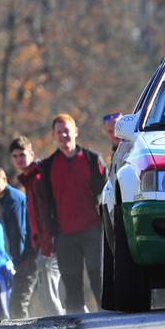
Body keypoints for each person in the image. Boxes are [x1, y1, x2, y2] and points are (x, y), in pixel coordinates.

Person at [42, 113, 107, 314]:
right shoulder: (48, 166)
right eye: (59, 132)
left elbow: (106, 195)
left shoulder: (92, 159)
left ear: (76, 132)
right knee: (71, 284)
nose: (63, 135)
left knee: (99, 278)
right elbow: (44, 203)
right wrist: (48, 235)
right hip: (64, 234)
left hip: (92, 231)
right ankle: (77, 328)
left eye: (67, 131)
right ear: (54, 136)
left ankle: (109, 319)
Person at [9, 136, 64, 316]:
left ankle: (63, 325)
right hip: (41, 242)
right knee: (47, 287)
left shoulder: (39, 176)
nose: (19, 160)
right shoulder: (29, 178)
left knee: (49, 287)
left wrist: (49, 240)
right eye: (15, 156)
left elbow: (47, 211)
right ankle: (65, 322)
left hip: (52, 240)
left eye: (22, 155)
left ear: (32, 154)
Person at [0, 164, 39, 319]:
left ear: (4, 179)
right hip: (26, 255)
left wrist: (17, 260)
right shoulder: (5, 200)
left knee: (18, 303)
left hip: (28, 255)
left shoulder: (12, 200)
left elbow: (19, 233)